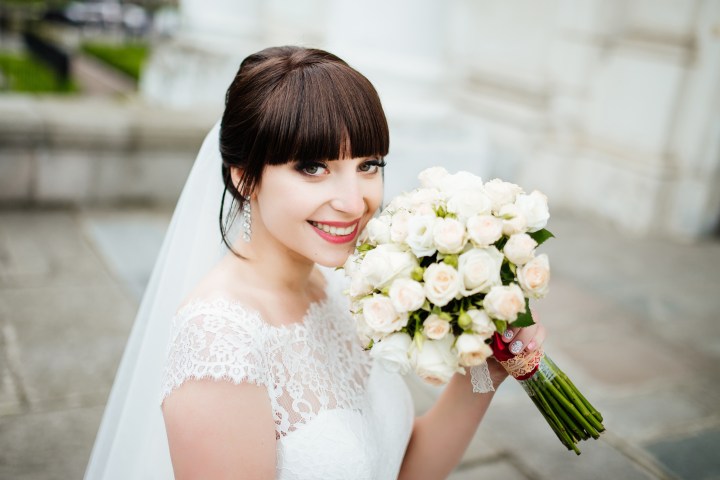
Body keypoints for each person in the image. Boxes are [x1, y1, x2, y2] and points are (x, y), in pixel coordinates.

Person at [85, 46, 546, 480]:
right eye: (312, 167)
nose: (353, 202)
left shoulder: (339, 285)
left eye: (368, 164)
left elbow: (396, 465)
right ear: (244, 178)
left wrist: (486, 373)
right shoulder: (218, 347)